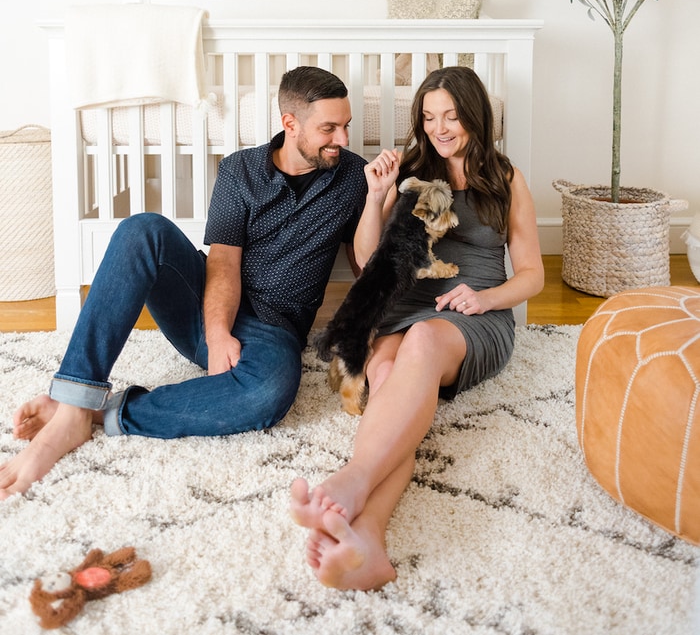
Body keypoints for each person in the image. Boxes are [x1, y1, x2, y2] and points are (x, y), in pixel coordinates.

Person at [0, 66, 387, 500]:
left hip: (272, 332)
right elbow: (222, 261)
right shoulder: (240, 170)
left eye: (347, 126)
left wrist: (375, 199)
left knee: (271, 389)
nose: (343, 139)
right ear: (290, 123)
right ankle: (74, 399)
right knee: (143, 229)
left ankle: (97, 414)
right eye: (329, 128)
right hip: (205, 308)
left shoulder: (354, 176)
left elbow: (367, 268)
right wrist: (218, 333)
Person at [290, 66, 544, 591]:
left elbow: (534, 276)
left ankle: (354, 479)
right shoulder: (411, 169)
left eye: (451, 116)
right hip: (405, 307)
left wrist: (484, 296)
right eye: (429, 117)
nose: (440, 128)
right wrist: (375, 195)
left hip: (473, 313)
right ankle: (369, 541)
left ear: (476, 116)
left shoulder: (505, 177)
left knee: (425, 343)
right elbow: (366, 259)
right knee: (384, 381)